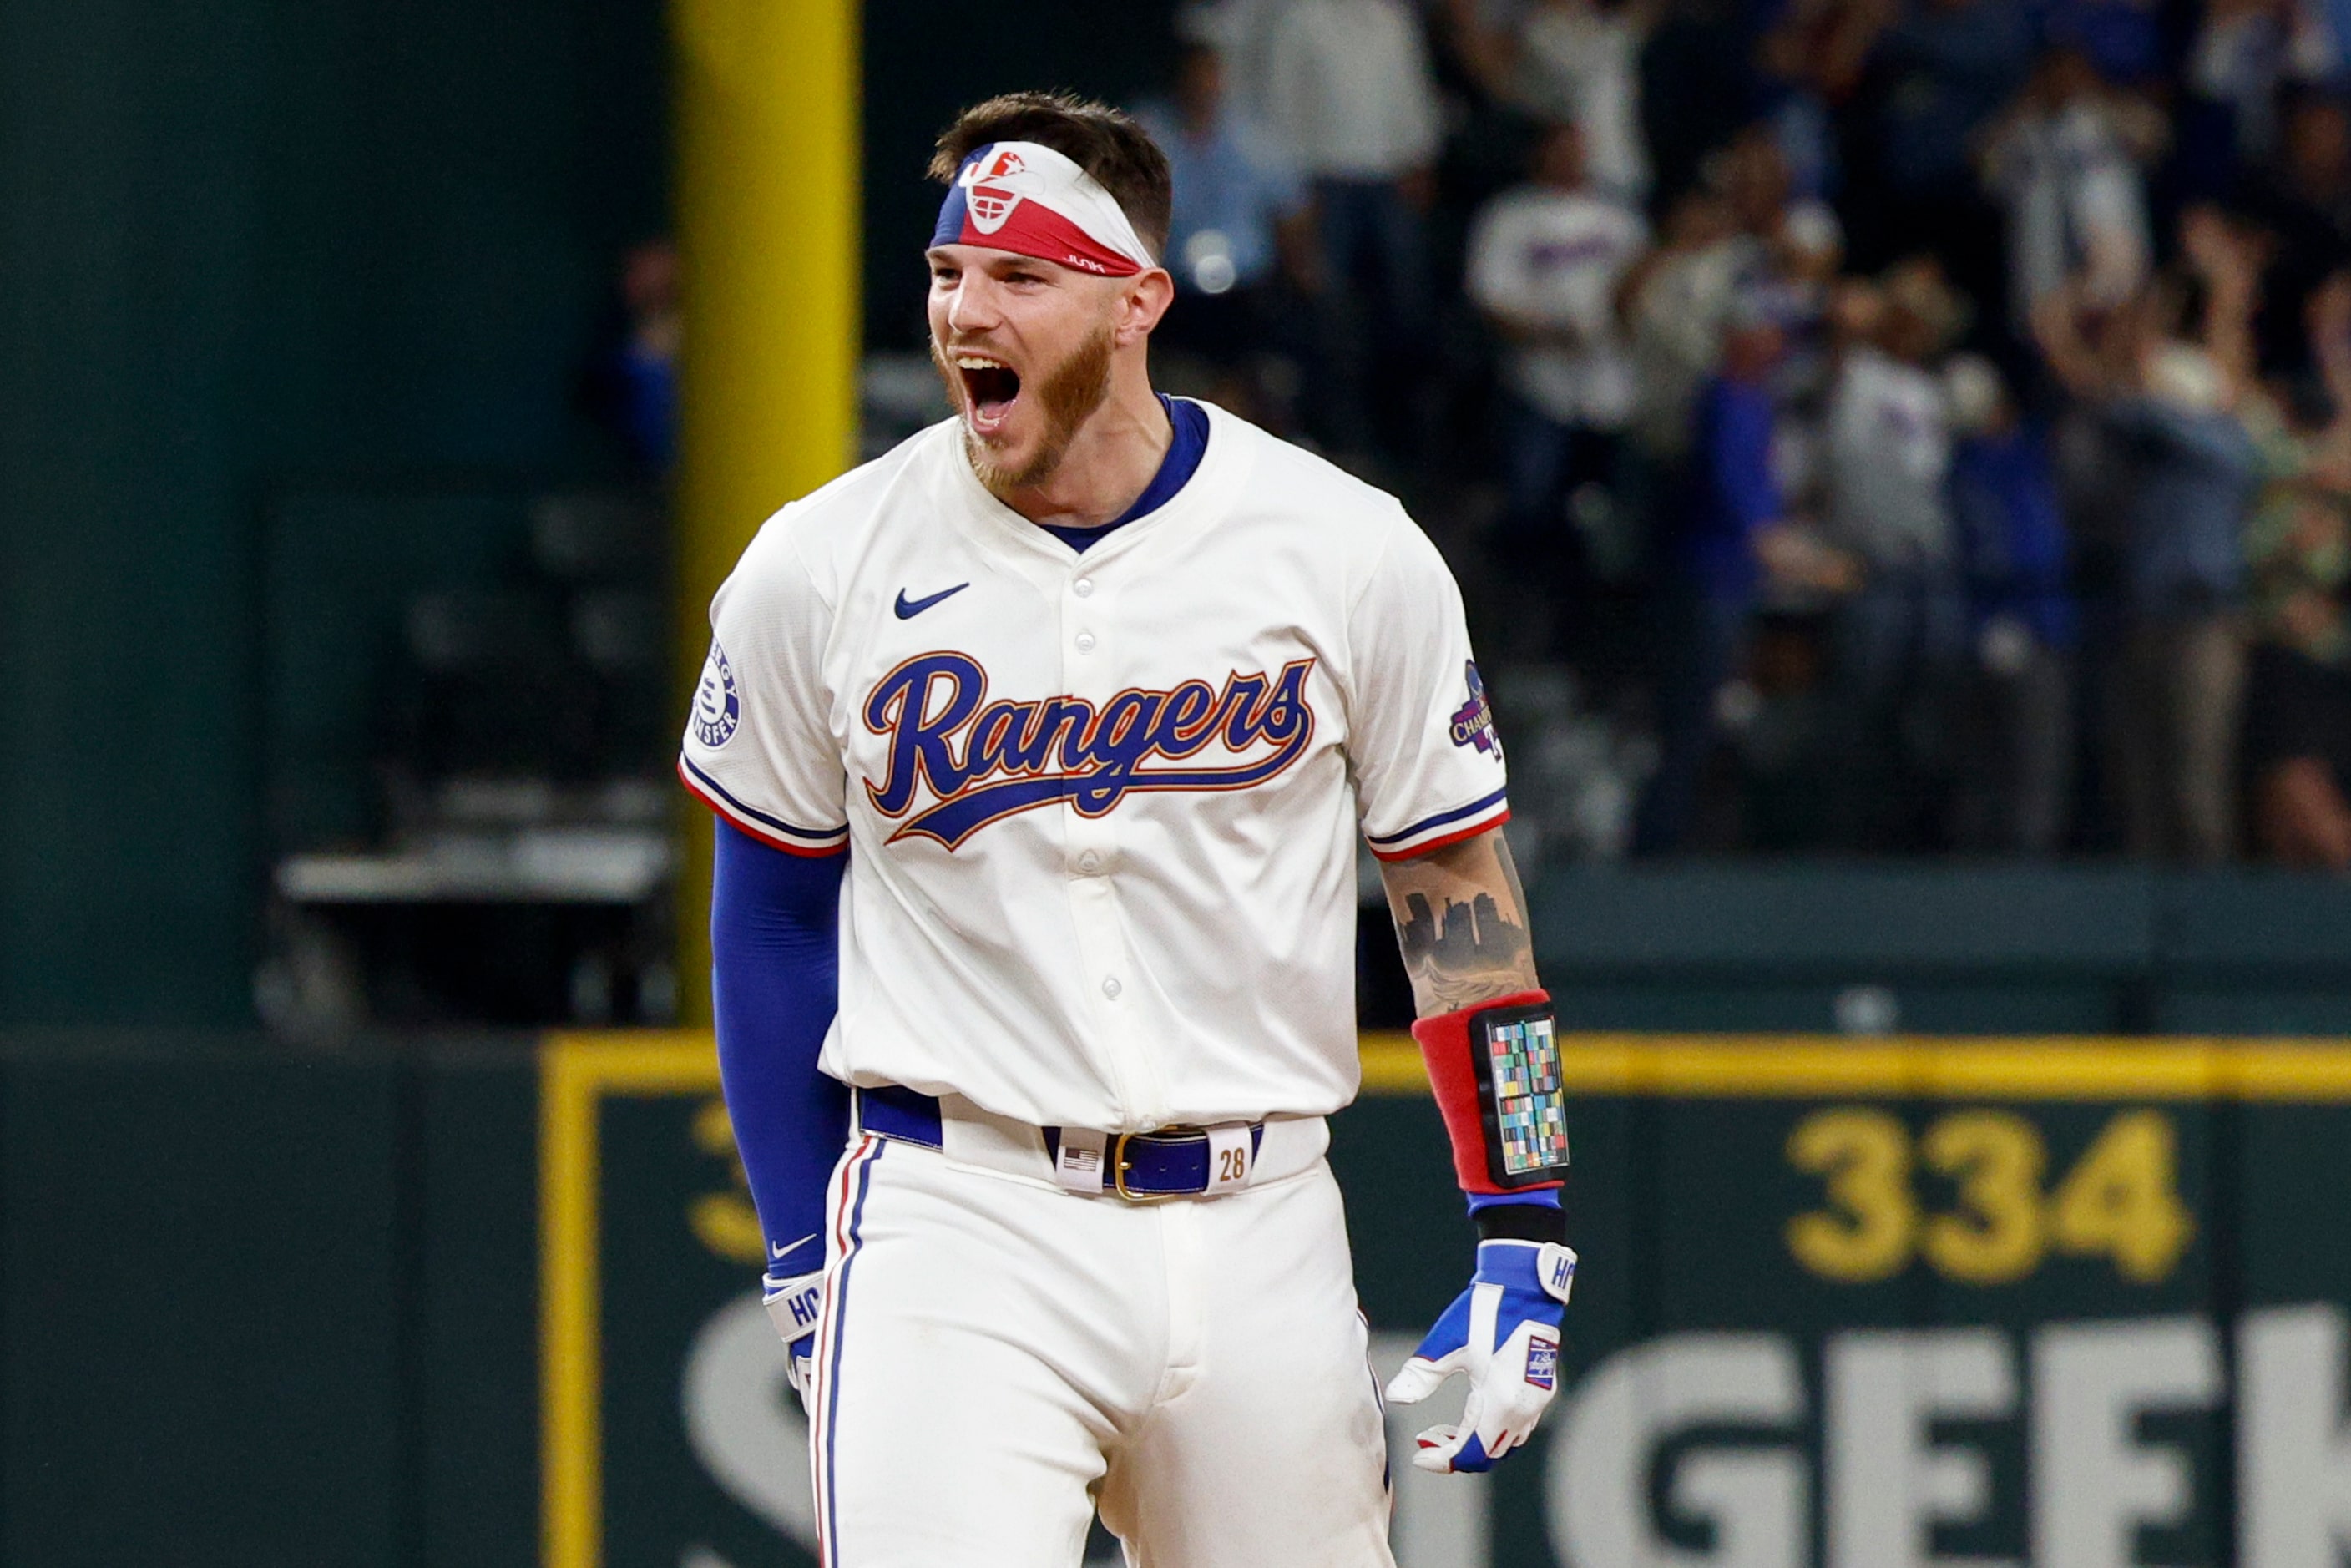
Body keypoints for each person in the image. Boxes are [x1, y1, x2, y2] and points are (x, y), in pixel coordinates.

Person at [679, 92, 1578, 1565]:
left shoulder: (1343, 550)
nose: (968, 307)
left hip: (1261, 1219)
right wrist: (796, 1252)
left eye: (1021, 277)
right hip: (954, 1212)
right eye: (946, 274)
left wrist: (1523, 1217)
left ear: (1135, 302)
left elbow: (1459, 908)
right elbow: (769, 920)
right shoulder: (820, 564)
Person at [1464, 120, 1649, 628]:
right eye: (1559, 148)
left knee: (1615, 527)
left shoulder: (1617, 216)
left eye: (1578, 148)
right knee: (1532, 515)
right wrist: (1553, 334)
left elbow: (1646, 285)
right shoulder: (1510, 215)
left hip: (1617, 392)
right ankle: (1526, 622)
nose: (1571, 158)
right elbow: (1491, 300)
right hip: (1541, 389)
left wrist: (1618, 318)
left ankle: (1603, 631)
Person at [1944, 354, 2079, 853]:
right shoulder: (1960, 465)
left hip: (2040, 626)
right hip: (1979, 632)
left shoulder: (2032, 452)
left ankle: (2030, 885)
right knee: (1980, 773)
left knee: (2035, 776)